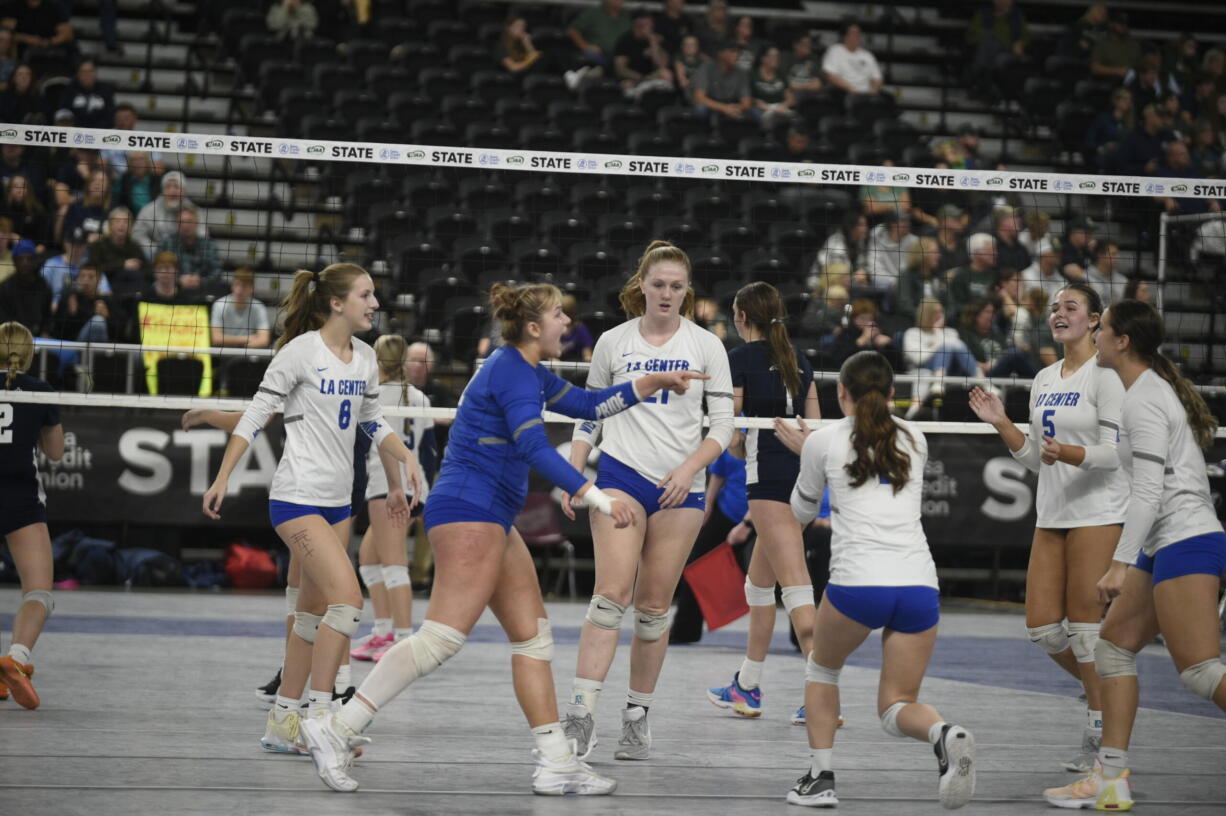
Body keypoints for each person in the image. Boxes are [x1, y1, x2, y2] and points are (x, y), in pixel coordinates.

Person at [301, 280, 704, 794]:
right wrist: (598, 496)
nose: (568, 323)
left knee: (533, 638)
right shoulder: (512, 371)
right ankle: (336, 727)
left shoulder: (527, 369)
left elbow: (586, 404)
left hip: (489, 513)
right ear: (534, 327)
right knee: (440, 639)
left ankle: (557, 760)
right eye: (559, 315)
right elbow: (535, 448)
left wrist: (649, 385)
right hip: (471, 509)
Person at [201, 263, 422, 759]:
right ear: (337, 303)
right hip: (296, 497)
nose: (375, 303)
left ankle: (283, 721)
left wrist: (405, 458)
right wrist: (222, 477)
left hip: (338, 501)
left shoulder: (364, 357)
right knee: (348, 602)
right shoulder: (299, 353)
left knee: (311, 614)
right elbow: (256, 416)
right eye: (366, 295)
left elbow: (372, 420)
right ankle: (323, 717)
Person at [1042, 299, 1226, 809]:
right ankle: (1111, 779)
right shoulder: (1137, 393)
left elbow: (1147, 493)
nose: (1094, 335)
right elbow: (1117, 461)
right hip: (1162, 541)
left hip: (1186, 537)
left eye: (1101, 328)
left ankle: (1110, 778)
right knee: (1113, 647)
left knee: (1200, 672)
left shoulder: (1145, 399)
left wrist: (1119, 562)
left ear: (1122, 342)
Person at [560, 241, 735, 763]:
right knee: (611, 593)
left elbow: (723, 427)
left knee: (655, 607)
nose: (666, 294)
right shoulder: (614, 342)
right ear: (642, 285)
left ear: (688, 291)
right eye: (658, 284)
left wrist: (688, 469)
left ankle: (636, 717)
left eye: (676, 287)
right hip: (620, 477)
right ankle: (580, 716)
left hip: (681, 489)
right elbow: (590, 411)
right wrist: (573, 467)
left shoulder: (707, 345)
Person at [783, 350, 976, 809]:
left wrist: (803, 452)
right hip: (918, 586)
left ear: (841, 392)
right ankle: (942, 733)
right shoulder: (915, 436)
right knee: (897, 705)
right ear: (893, 394)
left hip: (858, 583)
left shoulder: (823, 440)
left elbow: (801, 513)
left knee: (822, 669)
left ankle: (820, 777)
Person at [969, 282, 1127, 773]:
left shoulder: (1108, 377)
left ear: (1095, 319)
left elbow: (1114, 452)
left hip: (1098, 510)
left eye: (1071, 307)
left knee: (1085, 631)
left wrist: (1072, 453)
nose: (1059, 314)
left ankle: (1100, 737)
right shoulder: (1042, 378)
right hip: (1053, 510)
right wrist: (1002, 423)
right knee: (1041, 628)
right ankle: (1097, 688)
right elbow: (1038, 458)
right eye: (1055, 307)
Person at [706, 282, 819, 721]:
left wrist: (737, 446)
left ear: (741, 317)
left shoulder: (737, 360)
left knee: (795, 584)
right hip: (803, 477)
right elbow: (815, 428)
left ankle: (822, 693)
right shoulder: (800, 360)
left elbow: (733, 434)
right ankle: (747, 686)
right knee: (758, 584)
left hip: (769, 482)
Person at [349, 334, 434, 662]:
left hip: (389, 486)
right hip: (415, 484)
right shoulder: (421, 398)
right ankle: (384, 631)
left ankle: (402, 640)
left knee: (394, 563)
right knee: (369, 560)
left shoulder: (371, 396)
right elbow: (427, 448)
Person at [0, 320, 63, 709]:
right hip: (19, 495)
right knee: (38, 591)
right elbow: (55, 453)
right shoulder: (39, 391)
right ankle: (16, 658)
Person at [669, 448, 748, 645]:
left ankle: (803, 636)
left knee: (784, 571)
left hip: (765, 512)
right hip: (729, 508)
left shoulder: (767, 431)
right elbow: (719, 471)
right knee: (695, 563)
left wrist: (748, 523)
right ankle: (684, 631)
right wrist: (709, 502)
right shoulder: (733, 429)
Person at [903, 298, 980, 377]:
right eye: (935, 312)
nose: (939, 315)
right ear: (926, 314)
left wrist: (938, 333)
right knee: (945, 348)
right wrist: (938, 344)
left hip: (952, 369)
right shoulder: (913, 333)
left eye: (941, 312)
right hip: (923, 368)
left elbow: (959, 349)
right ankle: (939, 381)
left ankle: (982, 381)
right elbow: (919, 359)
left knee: (954, 347)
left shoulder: (951, 332)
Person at [132, 171, 202, 258]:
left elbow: (202, 234)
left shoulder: (193, 211)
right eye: (168, 187)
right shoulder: (149, 210)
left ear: (184, 191)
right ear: (163, 191)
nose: (172, 191)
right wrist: (154, 249)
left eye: (176, 187)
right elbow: (137, 235)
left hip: (185, 254)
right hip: (155, 255)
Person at [87, 206, 147, 299]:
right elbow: (95, 269)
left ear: (131, 226)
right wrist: (122, 264)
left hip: (132, 291)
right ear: (110, 225)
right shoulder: (98, 246)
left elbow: (147, 269)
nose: (122, 225)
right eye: (118, 221)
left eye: (126, 222)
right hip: (105, 291)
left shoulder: (135, 248)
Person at [691, 40, 752, 122]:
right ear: (721, 54)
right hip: (710, 103)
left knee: (755, 113)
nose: (737, 55)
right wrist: (724, 108)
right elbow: (699, 98)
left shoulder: (741, 72)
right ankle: (701, 133)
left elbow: (746, 103)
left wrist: (734, 108)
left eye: (738, 52)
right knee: (700, 109)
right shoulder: (707, 67)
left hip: (731, 104)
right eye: (733, 51)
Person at [613, 13, 674, 96]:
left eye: (651, 25)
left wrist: (652, 41)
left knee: (666, 73)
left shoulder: (656, 39)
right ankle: (631, 107)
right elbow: (621, 69)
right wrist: (640, 78)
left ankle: (664, 104)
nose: (650, 28)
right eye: (646, 25)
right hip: (633, 78)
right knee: (627, 84)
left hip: (650, 77)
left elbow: (661, 65)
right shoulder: (625, 40)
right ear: (637, 25)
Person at [210, 267, 270, 349]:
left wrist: (242, 350)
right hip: (224, 354)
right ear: (232, 286)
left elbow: (264, 340)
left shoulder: (259, 307)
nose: (239, 289)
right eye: (237, 284)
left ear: (252, 289)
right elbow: (216, 339)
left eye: (244, 286)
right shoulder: (220, 305)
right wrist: (247, 339)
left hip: (248, 353)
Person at [0, 240, 50, 336]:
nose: (25, 263)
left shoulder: (43, 286)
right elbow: (3, 321)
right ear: (14, 261)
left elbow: (48, 318)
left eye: (29, 259)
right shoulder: (4, 288)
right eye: (21, 259)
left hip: (39, 340)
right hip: (11, 339)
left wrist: (45, 332)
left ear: (35, 260)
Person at [158, 206, 221, 282]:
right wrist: (179, 281)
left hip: (203, 289)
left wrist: (200, 281)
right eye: (182, 222)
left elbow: (217, 272)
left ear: (196, 223)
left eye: (189, 221)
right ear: (177, 224)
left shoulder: (209, 245)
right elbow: (157, 270)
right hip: (174, 289)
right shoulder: (166, 244)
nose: (186, 225)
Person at [822, 21, 882, 96]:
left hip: (865, 95)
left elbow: (877, 79)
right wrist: (850, 89)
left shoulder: (867, 55)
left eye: (858, 34)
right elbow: (830, 75)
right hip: (843, 93)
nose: (857, 36)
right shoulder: (835, 50)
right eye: (853, 33)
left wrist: (873, 92)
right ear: (845, 36)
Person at [947, 233, 998, 318]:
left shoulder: (996, 275)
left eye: (995, 250)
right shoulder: (961, 276)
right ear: (976, 252)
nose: (995, 254)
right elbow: (958, 305)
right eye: (991, 250)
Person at [568, 0, 630, 68]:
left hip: (623, 56)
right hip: (600, 56)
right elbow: (572, 30)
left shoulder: (627, 15)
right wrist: (585, 46)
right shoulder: (593, 13)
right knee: (591, 56)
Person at [58, 58, 113, 129]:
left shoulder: (105, 90)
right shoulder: (69, 91)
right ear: (78, 74)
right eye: (84, 72)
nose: (87, 75)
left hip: (99, 132)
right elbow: (63, 113)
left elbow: (109, 116)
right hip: (74, 132)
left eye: (90, 71)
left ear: (95, 73)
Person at [750, 46, 794, 128]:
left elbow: (790, 99)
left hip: (780, 108)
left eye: (777, 56)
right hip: (762, 109)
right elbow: (751, 99)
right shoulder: (753, 75)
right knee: (769, 119)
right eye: (773, 56)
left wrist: (782, 106)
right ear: (763, 58)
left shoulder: (781, 74)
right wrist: (768, 108)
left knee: (793, 117)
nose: (776, 59)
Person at [1091, 11, 1141, 81]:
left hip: (1134, 81)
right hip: (1110, 82)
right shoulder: (1103, 44)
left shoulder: (1133, 44)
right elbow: (1095, 68)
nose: (1124, 26)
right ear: (1111, 24)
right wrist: (1117, 71)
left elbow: (1141, 65)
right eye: (1121, 23)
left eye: (1126, 23)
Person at [2, 173, 46, 249]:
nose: (19, 189)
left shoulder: (37, 210)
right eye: (15, 186)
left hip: (30, 252)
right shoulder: (3, 209)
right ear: (9, 190)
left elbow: (43, 243)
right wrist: (10, 236)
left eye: (23, 186)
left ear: (29, 190)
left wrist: (22, 241)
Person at [673, 33, 706, 99]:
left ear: (697, 47)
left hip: (704, 91)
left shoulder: (703, 59)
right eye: (686, 44)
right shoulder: (678, 59)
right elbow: (683, 83)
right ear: (682, 46)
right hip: (689, 93)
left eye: (692, 45)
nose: (689, 47)